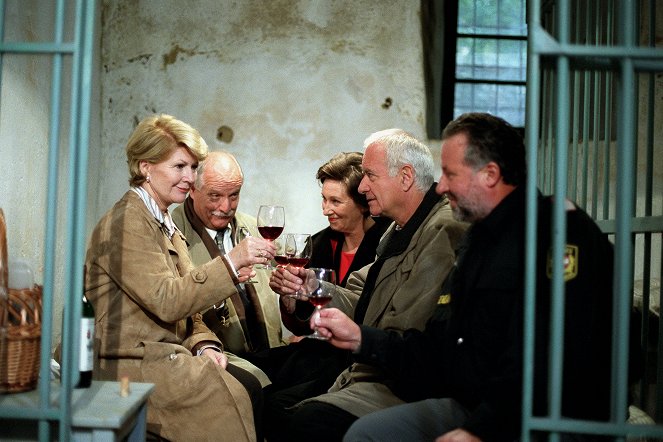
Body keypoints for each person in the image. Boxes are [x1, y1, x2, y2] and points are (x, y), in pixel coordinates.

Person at [314, 112, 625, 441]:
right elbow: (443, 344)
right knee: (364, 432)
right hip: (472, 404)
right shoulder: (477, 240)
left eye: (450, 174)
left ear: (490, 174)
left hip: (539, 419)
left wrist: (480, 429)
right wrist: (362, 339)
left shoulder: (558, 231)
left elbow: (555, 356)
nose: (441, 186)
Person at [261, 129, 468, 441]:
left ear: (406, 177)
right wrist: (312, 287)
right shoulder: (399, 229)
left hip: (396, 382)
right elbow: (365, 296)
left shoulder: (441, 230)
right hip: (365, 371)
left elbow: (406, 332)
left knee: (307, 420)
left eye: (370, 175)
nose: (362, 185)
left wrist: (358, 338)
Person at [84, 114, 276, 442]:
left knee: (247, 389)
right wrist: (233, 260)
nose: (190, 178)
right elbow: (168, 300)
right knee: (233, 395)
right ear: (145, 167)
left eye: (193, 167)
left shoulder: (161, 221)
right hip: (128, 365)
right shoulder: (128, 221)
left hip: (163, 356)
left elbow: (189, 307)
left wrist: (203, 343)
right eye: (179, 167)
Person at [172, 150, 284, 386]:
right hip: (218, 359)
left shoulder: (255, 228)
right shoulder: (173, 234)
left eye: (234, 195)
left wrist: (292, 299)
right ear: (192, 189)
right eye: (214, 196)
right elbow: (176, 308)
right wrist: (225, 279)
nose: (226, 206)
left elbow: (283, 290)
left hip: (270, 353)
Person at [309, 152, 390, 287]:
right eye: (324, 199)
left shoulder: (388, 243)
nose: (325, 211)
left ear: (364, 203)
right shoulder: (316, 245)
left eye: (336, 201)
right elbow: (301, 306)